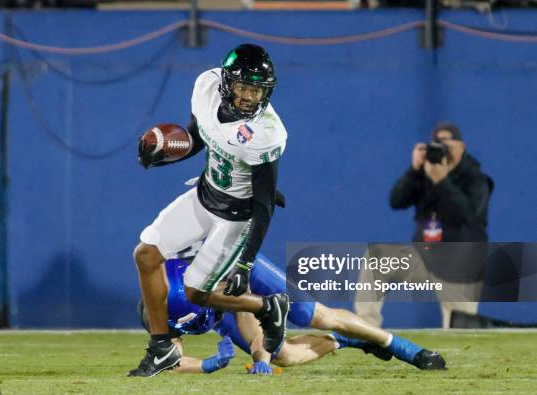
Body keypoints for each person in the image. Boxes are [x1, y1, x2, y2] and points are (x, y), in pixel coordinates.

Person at [129, 44, 290, 377]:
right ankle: (161, 349)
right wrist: (163, 154)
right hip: (205, 195)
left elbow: (263, 204)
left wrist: (245, 262)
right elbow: (199, 136)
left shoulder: (267, 133)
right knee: (146, 255)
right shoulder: (207, 87)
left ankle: (267, 305)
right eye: (243, 86)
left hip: (237, 217)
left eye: (256, 89)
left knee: (197, 293)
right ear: (226, 83)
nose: (248, 96)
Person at [136, 254, 446, 375]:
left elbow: (254, 328)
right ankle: (346, 341)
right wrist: (207, 365)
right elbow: (170, 361)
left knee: (316, 316)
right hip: (223, 303)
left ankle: (404, 348)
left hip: (242, 272)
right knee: (283, 354)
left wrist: (260, 359)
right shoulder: (162, 316)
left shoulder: (208, 280)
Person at [355, 123, 494, 328]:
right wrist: (413, 169)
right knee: (376, 257)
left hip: (459, 265)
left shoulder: (476, 179)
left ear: (462, 146)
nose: (443, 146)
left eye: (448, 141)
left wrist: (442, 181)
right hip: (424, 258)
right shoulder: (425, 172)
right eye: (438, 142)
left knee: (461, 330)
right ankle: (365, 328)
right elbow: (396, 201)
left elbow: (467, 216)